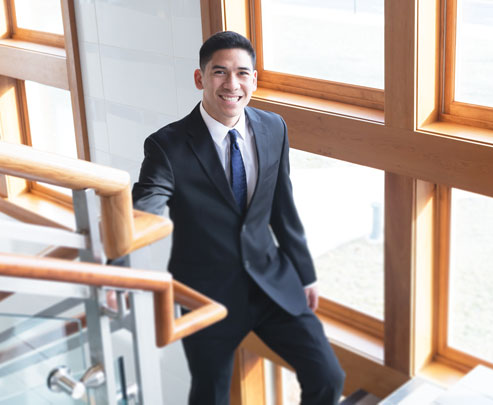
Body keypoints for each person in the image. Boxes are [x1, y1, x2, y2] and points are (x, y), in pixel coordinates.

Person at [132, 31, 345, 405]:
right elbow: (143, 212)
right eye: (220, 72)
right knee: (210, 396)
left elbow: (283, 208)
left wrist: (305, 272)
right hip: (205, 293)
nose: (232, 84)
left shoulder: (273, 127)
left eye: (242, 73)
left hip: (271, 283)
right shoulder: (167, 145)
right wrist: (119, 270)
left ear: (254, 79)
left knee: (327, 376)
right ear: (200, 79)